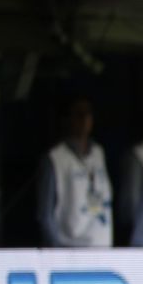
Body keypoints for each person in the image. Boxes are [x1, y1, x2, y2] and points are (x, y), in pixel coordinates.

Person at [37, 96, 112, 247]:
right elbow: (45, 214)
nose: (84, 119)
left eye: (88, 113)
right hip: (70, 249)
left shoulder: (98, 153)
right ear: (66, 119)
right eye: (78, 114)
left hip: (102, 247)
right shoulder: (55, 158)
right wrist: (57, 251)